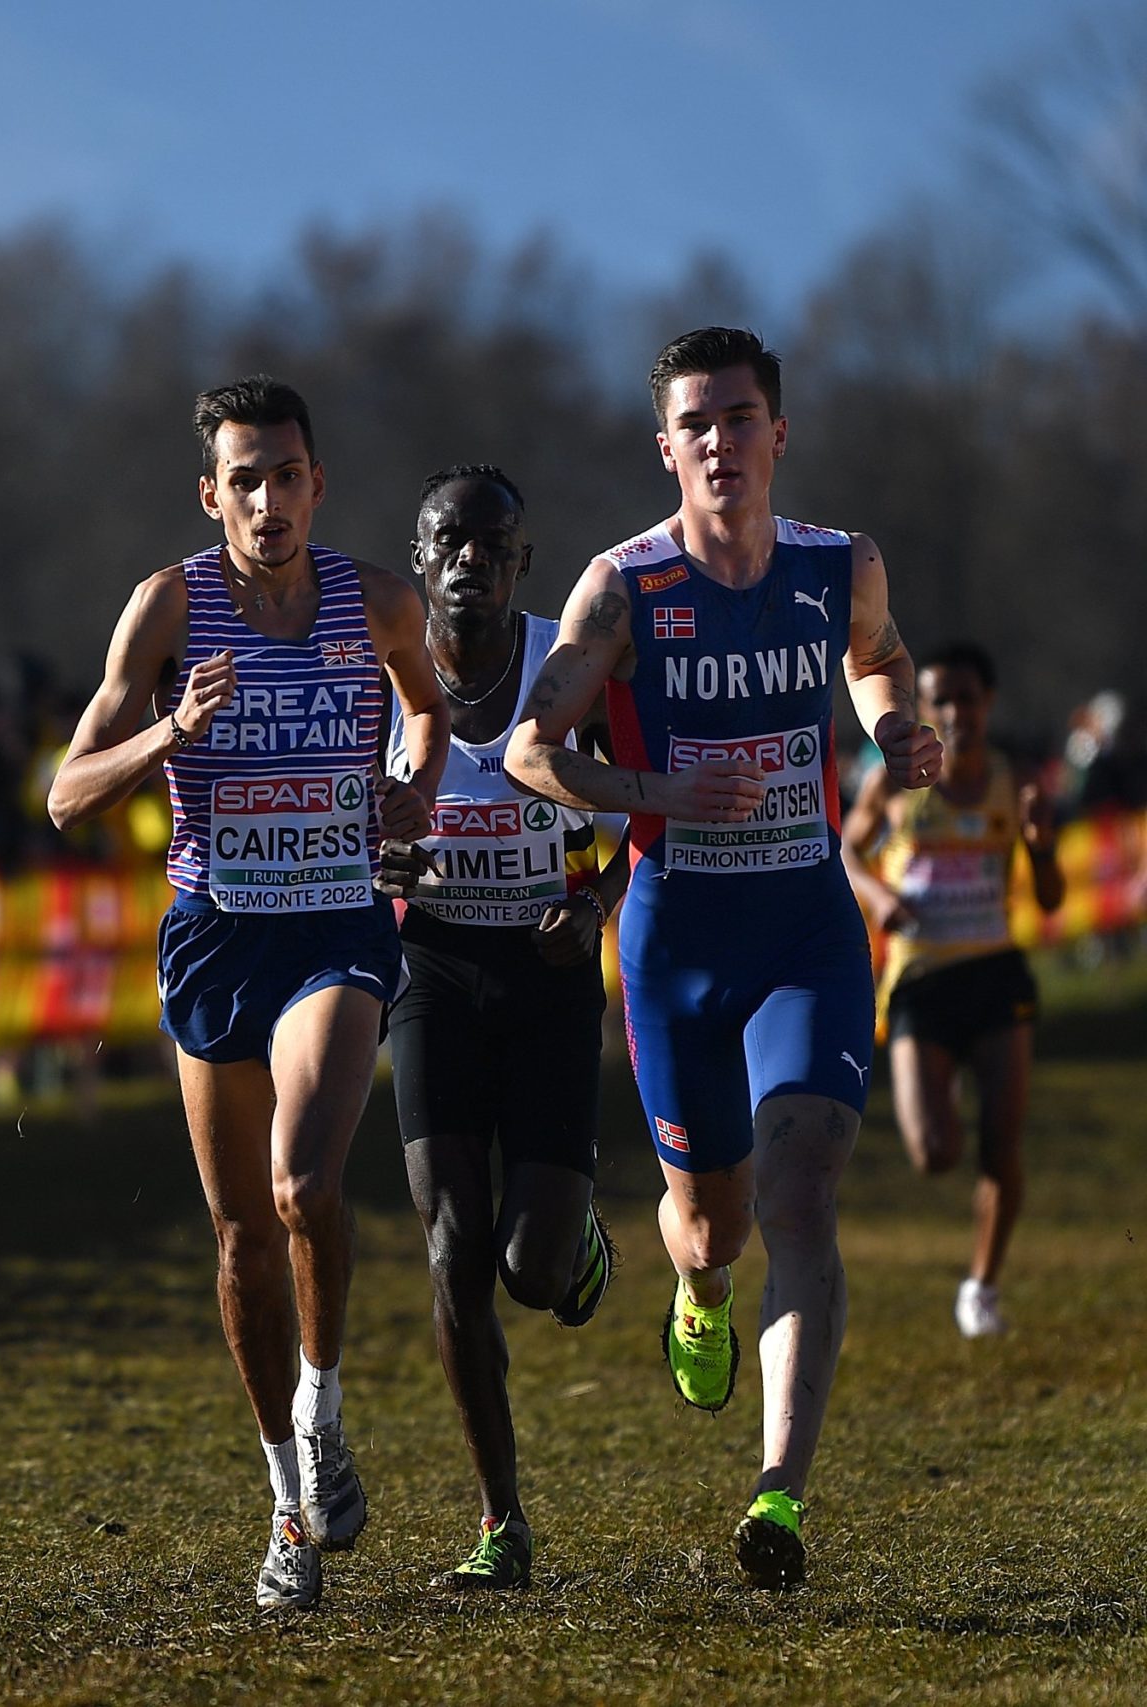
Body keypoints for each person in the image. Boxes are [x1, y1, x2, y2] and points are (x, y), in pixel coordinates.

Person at [505, 327, 943, 1590]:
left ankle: (779, 1501)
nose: (719, 441)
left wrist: (895, 731)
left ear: (776, 436)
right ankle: (694, 1292)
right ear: (667, 450)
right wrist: (659, 789)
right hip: (674, 945)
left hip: (805, 931)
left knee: (805, 1200)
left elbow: (880, 660)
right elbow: (536, 747)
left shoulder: (833, 566)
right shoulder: (622, 588)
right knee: (713, 1226)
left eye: (739, 418)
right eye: (694, 424)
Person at [47, 376, 446, 1612]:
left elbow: (428, 709)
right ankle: (286, 1499)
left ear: (316, 484)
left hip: (334, 926)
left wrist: (409, 791)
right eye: (245, 478)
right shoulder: (170, 606)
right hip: (215, 934)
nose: (268, 500)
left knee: (301, 1184)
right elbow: (66, 795)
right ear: (208, 491)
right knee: (237, 1240)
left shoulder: (377, 599)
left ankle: (324, 1411)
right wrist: (166, 735)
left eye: (288, 475)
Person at [376, 465, 628, 1591]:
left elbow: (636, 817)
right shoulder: (386, 678)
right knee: (449, 1248)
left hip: (547, 976)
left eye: (494, 544)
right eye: (449, 541)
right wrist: (375, 860)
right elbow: (351, 818)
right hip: (433, 968)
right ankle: (501, 1523)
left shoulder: (562, 669)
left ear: (522, 563)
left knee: (526, 1269)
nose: (470, 559)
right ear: (420, 556)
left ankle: (576, 1242)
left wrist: (592, 905)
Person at [842, 642, 1064, 1336]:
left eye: (968, 698)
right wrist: (879, 898)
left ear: (987, 702)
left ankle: (982, 1287)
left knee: (1002, 1142)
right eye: (942, 699)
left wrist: (1040, 844)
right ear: (925, 707)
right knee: (935, 1152)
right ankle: (951, 1085)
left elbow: (1053, 899)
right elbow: (845, 850)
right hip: (920, 980)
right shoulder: (891, 782)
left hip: (996, 971)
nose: (957, 712)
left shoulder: (1015, 782)